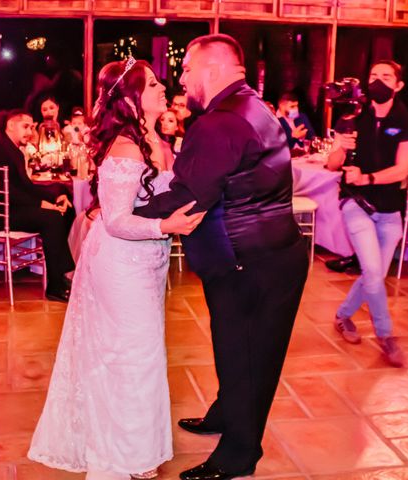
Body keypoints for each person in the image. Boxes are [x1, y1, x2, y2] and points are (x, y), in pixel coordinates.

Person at [134, 34, 309, 480]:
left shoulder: (219, 123)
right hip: (266, 255)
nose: (182, 78)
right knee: (237, 347)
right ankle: (225, 413)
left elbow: (189, 195)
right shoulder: (255, 106)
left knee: (247, 355)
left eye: (187, 70)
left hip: (249, 262)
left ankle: (239, 454)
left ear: (211, 69)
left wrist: (122, 215)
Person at [27, 57, 205, 480]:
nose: (163, 89)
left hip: (147, 262)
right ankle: (124, 456)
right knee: (131, 358)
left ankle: (134, 446)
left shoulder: (156, 141)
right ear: (130, 98)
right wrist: (168, 225)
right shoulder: (125, 147)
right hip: (121, 264)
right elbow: (116, 220)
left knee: (140, 355)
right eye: (154, 85)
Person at [326, 60, 408, 367]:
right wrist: (340, 146)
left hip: (389, 209)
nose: (378, 81)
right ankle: (387, 337)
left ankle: (342, 316)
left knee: (374, 274)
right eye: (374, 76)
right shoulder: (354, 116)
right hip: (355, 203)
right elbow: (332, 165)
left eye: (386, 77)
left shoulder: (405, 120)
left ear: (398, 85)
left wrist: (368, 177)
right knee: (374, 275)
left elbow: (403, 169)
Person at [0, 109, 75, 302]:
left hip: (10, 208)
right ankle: (54, 285)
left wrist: (55, 197)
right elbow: (7, 192)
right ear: (10, 125)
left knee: (66, 208)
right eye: (25, 126)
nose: (30, 131)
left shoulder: (11, 150)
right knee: (51, 218)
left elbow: (26, 187)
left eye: (31, 127)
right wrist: (41, 203)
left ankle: (61, 275)